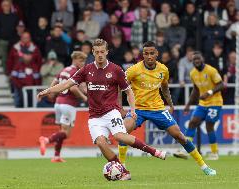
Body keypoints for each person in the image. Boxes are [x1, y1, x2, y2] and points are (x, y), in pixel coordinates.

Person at [38, 39, 166, 180]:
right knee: (100, 142)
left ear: (107, 52)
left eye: (102, 52)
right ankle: (123, 171)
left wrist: (133, 110)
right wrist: (48, 91)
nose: (100, 55)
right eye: (97, 52)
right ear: (93, 52)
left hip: (111, 112)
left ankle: (153, 151)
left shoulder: (116, 70)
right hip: (94, 116)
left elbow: (128, 91)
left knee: (119, 136)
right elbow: (67, 84)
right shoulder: (86, 70)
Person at [118, 41, 217, 176]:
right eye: (146, 53)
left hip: (158, 109)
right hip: (139, 109)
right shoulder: (133, 70)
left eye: (152, 53)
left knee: (180, 136)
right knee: (123, 132)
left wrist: (170, 104)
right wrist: (120, 107)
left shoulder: (163, 69)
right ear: (143, 55)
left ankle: (204, 166)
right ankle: (122, 168)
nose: (149, 56)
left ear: (157, 54)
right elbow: (120, 87)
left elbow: (164, 87)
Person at [173, 51, 224, 161]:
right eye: (194, 59)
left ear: (202, 59)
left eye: (198, 59)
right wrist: (188, 104)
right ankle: (186, 150)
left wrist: (209, 93)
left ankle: (214, 153)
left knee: (209, 125)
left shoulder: (211, 70)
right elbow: (196, 90)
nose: (197, 61)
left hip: (215, 102)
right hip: (203, 103)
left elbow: (221, 84)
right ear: (192, 61)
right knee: (192, 122)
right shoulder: (192, 73)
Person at [39, 51, 87, 162]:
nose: (83, 63)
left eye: (84, 61)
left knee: (61, 131)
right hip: (68, 104)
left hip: (58, 103)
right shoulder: (75, 72)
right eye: (81, 60)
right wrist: (84, 98)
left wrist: (49, 93)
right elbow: (73, 88)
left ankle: (56, 156)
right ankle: (46, 140)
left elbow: (55, 81)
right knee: (66, 133)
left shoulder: (64, 70)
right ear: (74, 59)